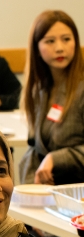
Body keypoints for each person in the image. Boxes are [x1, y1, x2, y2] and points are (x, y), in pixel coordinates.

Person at [20, 10, 84, 185]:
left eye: (66, 39)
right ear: (37, 48)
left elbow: (50, 156)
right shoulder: (38, 90)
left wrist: (56, 159)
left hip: (76, 190)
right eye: (50, 41)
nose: (59, 48)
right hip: (46, 189)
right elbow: (35, 147)